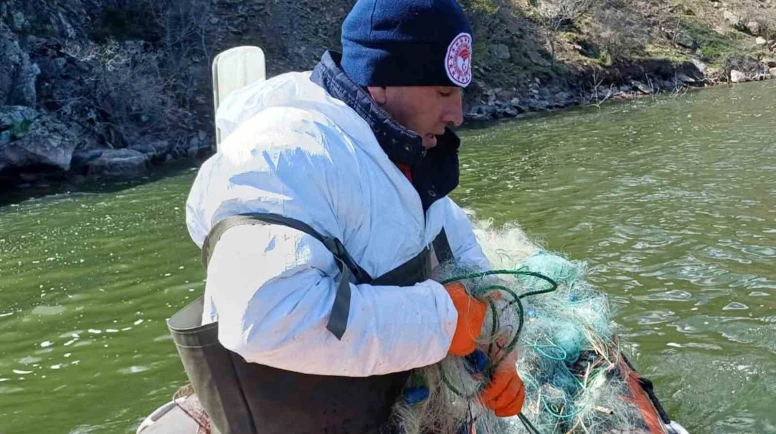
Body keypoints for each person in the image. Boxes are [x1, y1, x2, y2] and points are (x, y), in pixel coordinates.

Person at [183, 0, 524, 432]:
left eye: (459, 94)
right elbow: (266, 318)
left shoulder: (406, 153)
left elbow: (459, 249)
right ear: (380, 81)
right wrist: (446, 320)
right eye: (442, 93)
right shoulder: (280, 154)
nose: (457, 113)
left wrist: (498, 341)